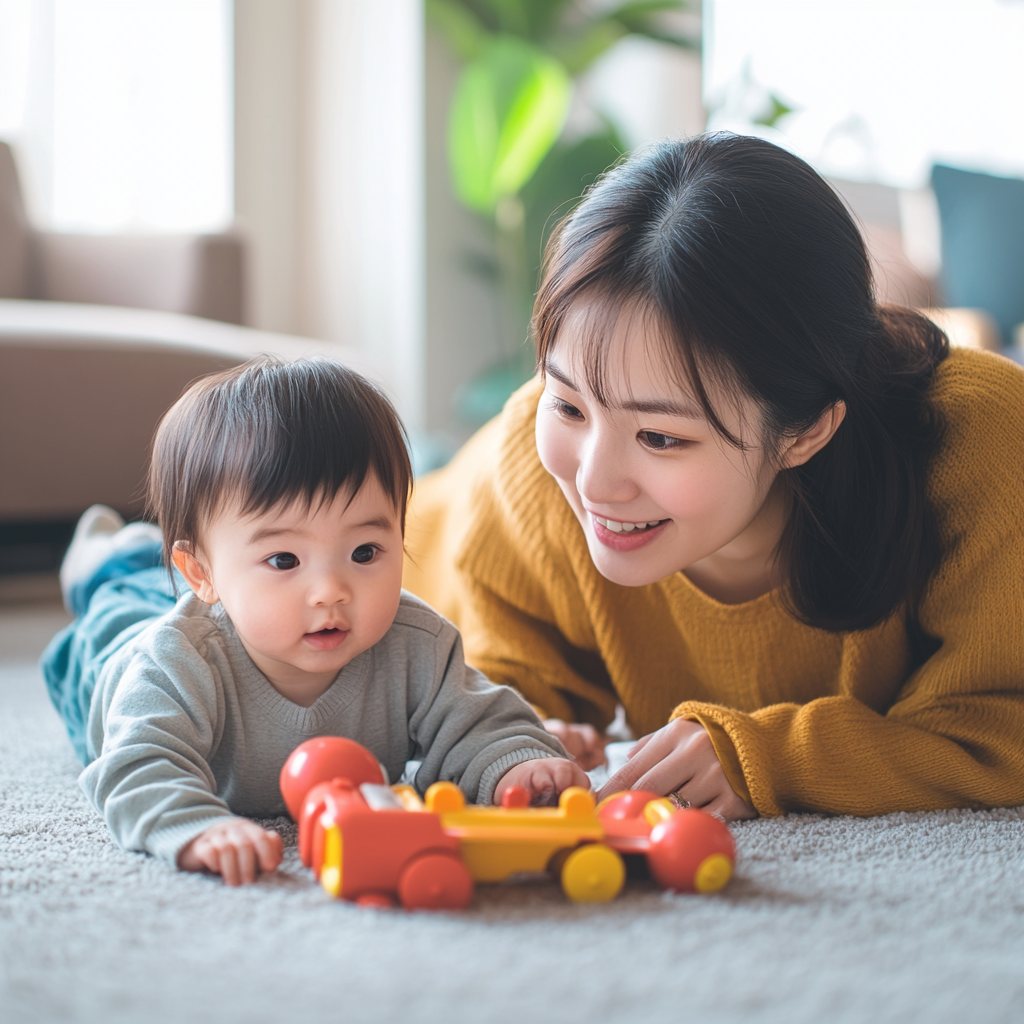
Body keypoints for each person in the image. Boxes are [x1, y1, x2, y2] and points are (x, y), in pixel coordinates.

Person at [404, 133, 1024, 822]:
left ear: (808, 428)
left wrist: (773, 756)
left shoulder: (982, 445)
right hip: (404, 534)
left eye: (661, 436)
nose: (595, 482)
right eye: (569, 403)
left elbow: (1000, 726)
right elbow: (483, 694)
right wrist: (525, 737)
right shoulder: (531, 460)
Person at [42, 357, 585, 886]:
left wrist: (517, 766)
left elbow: (478, 726)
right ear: (201, 572)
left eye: (366, 551)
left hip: (207, 596)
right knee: (116, 593)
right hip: (112, 649)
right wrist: (195, 827)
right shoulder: (175, 663)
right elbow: (138, 764)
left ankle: (135, 553)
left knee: (143, 578)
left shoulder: (418, 646)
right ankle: (101, 553)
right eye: (284, 561)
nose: (331, 591)